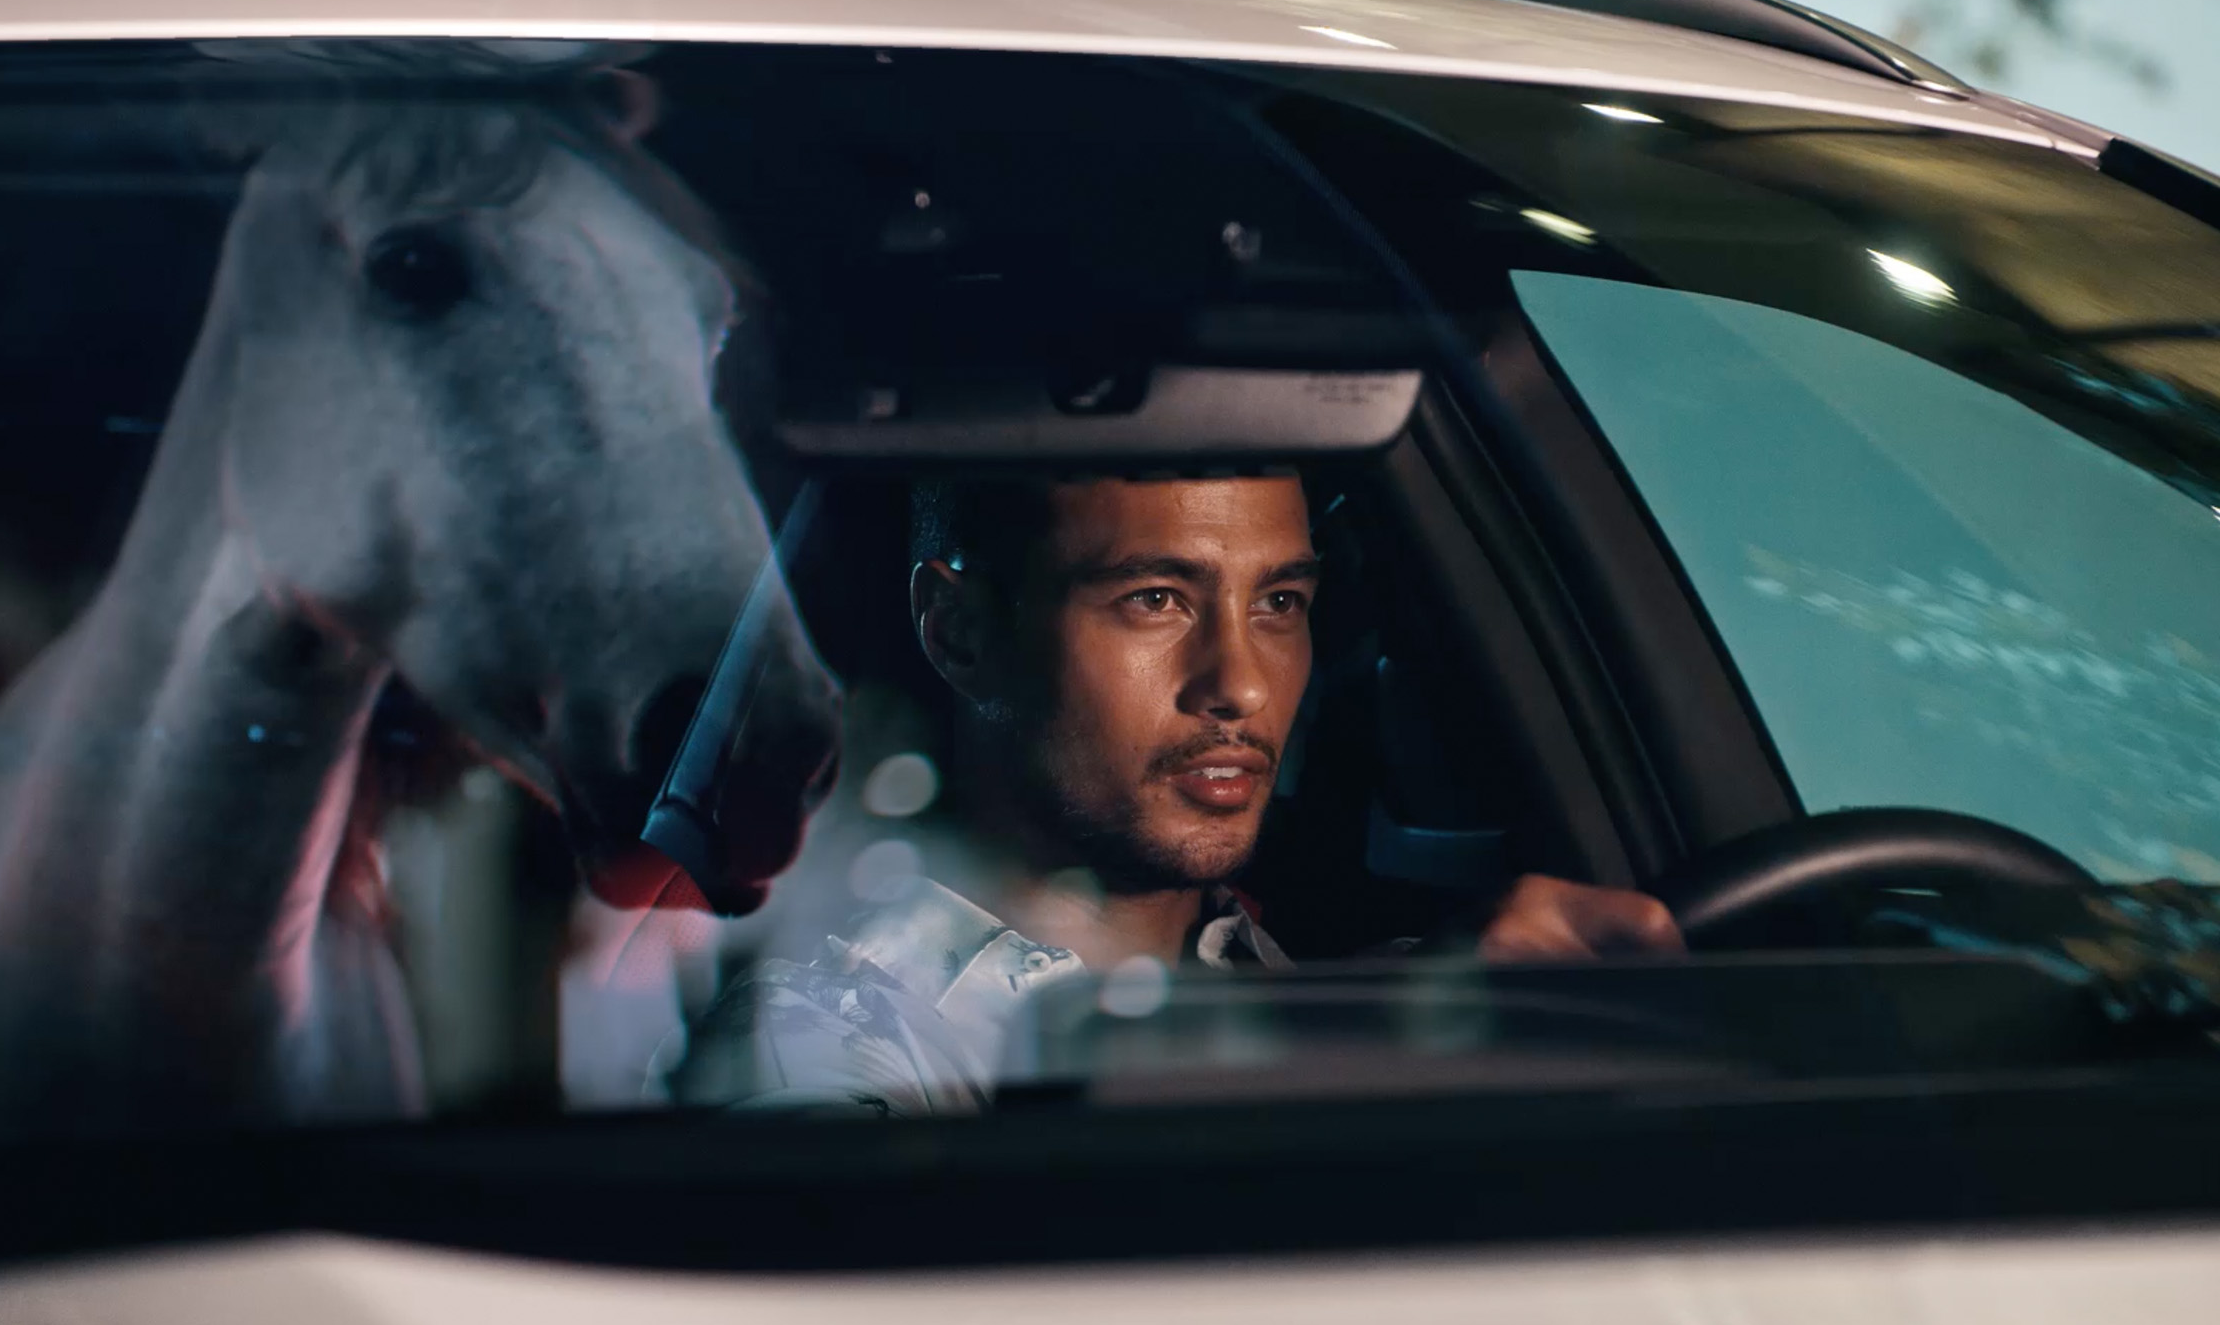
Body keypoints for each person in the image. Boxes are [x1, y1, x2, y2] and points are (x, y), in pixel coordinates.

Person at [712, 474, 1678, 1116]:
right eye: (1155, 599)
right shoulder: (831, 1040)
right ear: (960, 632)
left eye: (1279, 603)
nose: (1242, 685)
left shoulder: (1297, 971)